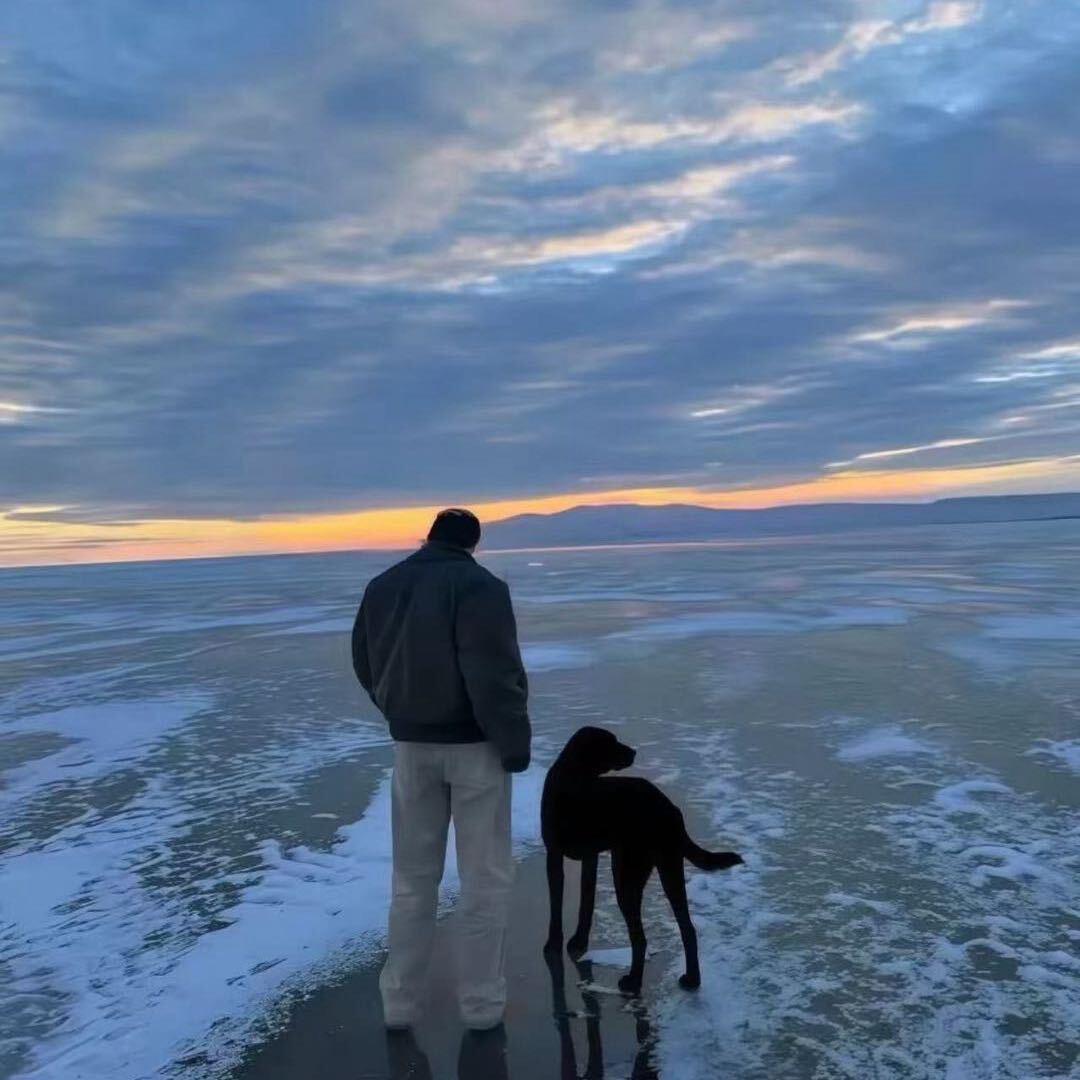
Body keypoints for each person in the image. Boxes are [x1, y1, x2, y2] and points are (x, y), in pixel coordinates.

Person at [352, 507, 531, 1032]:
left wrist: (399, 711)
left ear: (430, 536)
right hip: (475, 748)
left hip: (411, 749)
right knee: (484, 879)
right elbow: (494, 674)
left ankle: (400, 1005)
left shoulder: (383, 585)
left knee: (412, 879)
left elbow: (365, 661)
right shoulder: (481, 588)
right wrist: (513, 744)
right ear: (473, 544)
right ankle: (481, 1007)